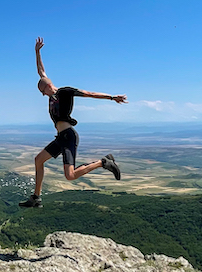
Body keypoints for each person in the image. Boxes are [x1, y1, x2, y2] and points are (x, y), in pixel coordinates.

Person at [19, 37, 128, 208]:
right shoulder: (49, 89)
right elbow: (41, 72)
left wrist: (112, 97)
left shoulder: (65, 92)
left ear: (48, 87)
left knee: (70, 175)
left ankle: (104, 162)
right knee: (38, 160)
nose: (42, 95)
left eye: (42, 91)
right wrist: (37, 52)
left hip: (69, 136)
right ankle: (36, 198)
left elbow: (89, 93)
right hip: (60, 137)